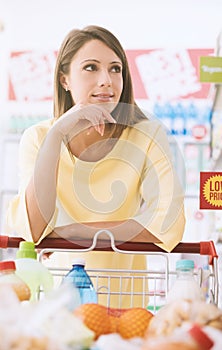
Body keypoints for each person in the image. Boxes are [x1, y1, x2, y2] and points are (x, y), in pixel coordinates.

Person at [7, 25, 186, 307]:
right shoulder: (39, 138)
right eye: (91, 67)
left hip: (126, 304)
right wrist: (57, 135)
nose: (107, 80)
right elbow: (33, 228)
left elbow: (167, 225)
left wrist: (73, 231)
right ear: (64, 79)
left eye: (116, 69)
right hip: (57, 304)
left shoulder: (146, 135)